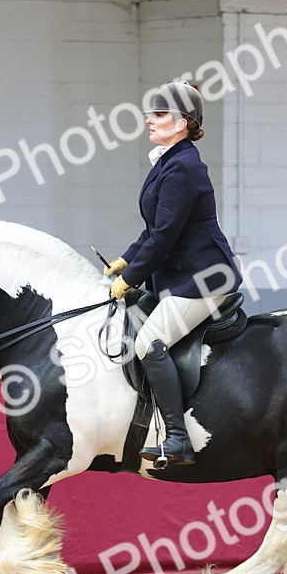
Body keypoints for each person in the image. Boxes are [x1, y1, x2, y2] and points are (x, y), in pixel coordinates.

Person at [104, 81, 243, 466]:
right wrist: (126, 260)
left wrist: (130, 280)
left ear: (183, 123)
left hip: (203, 279)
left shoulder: (183, 166)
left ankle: (179, 438)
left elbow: (165, 236)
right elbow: (155, 228)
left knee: (149, 343)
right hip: (178, 277)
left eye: (160, 114)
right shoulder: (168, 160)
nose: (150, 119)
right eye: (152, 112)